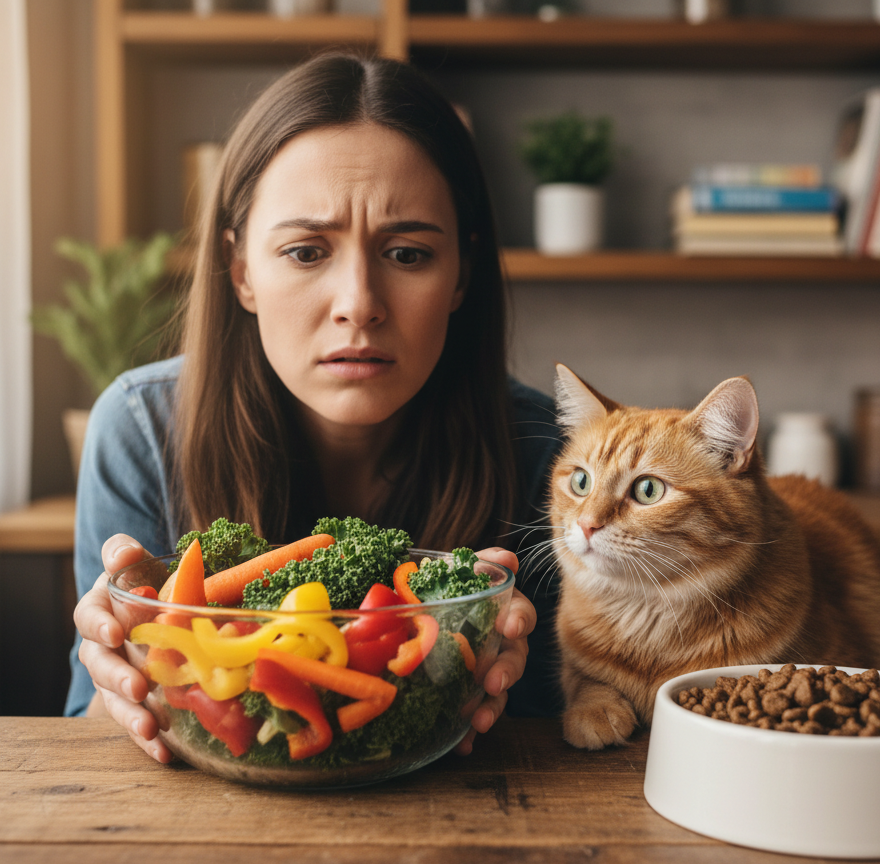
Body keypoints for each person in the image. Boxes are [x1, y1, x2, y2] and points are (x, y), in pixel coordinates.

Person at [65, 52, 564, 763]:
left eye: (409, 254)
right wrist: (119, 674)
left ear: (463, 274)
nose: (358, 304)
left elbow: (568, 741)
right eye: (305, 252)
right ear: (241, 273)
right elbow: (99, 724)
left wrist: (503, 687)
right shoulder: (141, 428)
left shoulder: (549, 454)